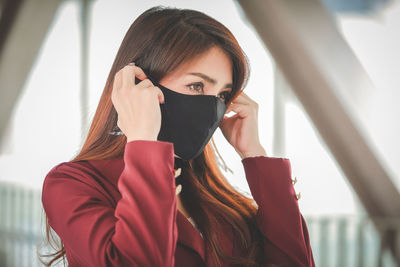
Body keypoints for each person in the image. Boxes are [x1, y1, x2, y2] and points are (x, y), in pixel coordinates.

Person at [39, 5, 315, 267]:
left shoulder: (223, 203)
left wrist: (254, 154)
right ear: (140, 85)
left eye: (222, 95)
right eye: (196, 85)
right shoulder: (72, 185)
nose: (213, 107)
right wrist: (143, 144)